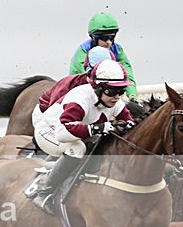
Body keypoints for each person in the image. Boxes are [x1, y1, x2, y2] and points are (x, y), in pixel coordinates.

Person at [29, 59, 137, 215]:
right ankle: (43, 191)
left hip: (72, 133)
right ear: (98, 88)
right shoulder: (79, 100)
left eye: (121, 91)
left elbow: (130, 124)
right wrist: (97, 128)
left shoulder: (115, 103)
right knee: (78, 148)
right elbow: (63, 133)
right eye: (111, 91)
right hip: (50, 133)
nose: (116, 97)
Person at [69, 12, 138, 101]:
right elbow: (87, 76)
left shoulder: (117, 49)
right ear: (94, 37)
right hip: (81, 92)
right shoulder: (83, 50)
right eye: (105, 38)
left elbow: (127, 73)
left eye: (112, 38)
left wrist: (132, 95)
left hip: (107, 92)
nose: (109, 42)